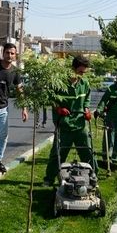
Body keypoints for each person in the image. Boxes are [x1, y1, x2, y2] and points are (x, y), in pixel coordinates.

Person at [43, 55, 95, 186]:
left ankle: (94, 176)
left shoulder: (84, 83)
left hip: (80, 125)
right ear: (73, 69)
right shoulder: (60, 83)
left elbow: (87, 98)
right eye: (80, 72)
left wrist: (87, 109)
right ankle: (49, 179)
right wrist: (59, 108)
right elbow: (51, 98)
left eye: (84, 72)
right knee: (58, 153)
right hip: (64, 124)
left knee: (87, 151)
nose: (82, 75)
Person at [0, 43, 28, 173]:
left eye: (12, 53)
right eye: (7, 53)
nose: (9, 55)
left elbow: (20, 90)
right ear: (3, 53)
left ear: (15, 55)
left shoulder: (14, 72)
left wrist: (24, 108)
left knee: (3, 136)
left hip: (4, 109)